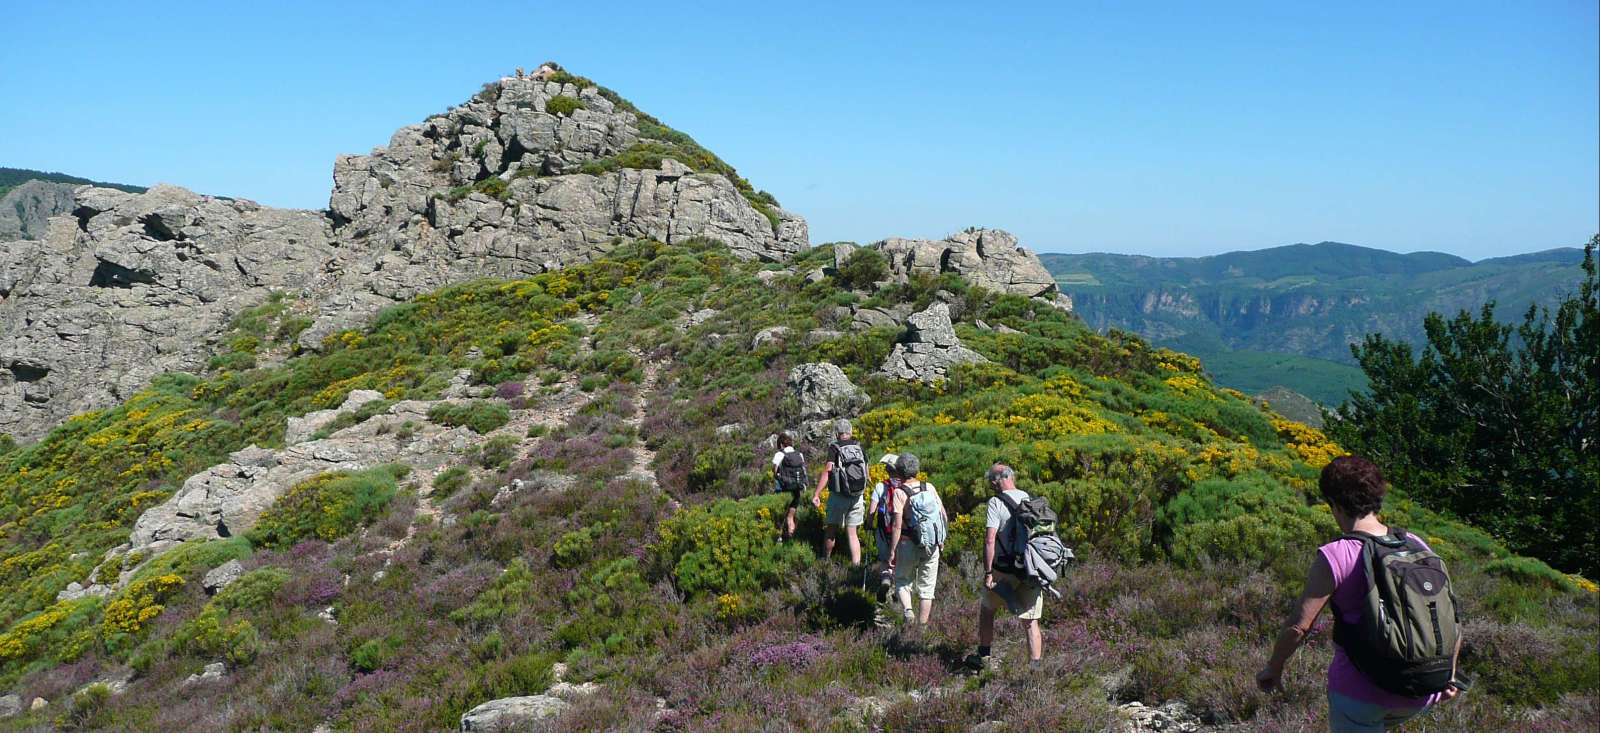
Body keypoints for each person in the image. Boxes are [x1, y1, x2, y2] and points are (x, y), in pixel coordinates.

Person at [1255, 456, 1461, 732]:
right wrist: (1448, 674)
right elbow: (1450, 617)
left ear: (1335, 504)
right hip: (1424, 690)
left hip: (1360, 695)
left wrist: (1274, 667)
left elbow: (1299, 626)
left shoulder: (1336, 554)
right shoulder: (1414, 544)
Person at [970, 463, 1043, 669]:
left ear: (997, 480)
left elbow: (990, 539)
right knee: (1030, 620)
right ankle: (1035, 668)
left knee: (987, 609)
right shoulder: (1028, 498)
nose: (991, 485)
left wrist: (988, 572)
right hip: (1029, 569)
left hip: (1003, 571)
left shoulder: (995, 502)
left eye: (991, 481)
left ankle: (984, 657)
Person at [885, 452, 946, 624]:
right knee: (927, 588)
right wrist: (941, 539)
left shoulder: (899, 493)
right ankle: (922, 627)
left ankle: (908, 610)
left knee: (902, 580)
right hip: (932, 544)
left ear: (899, 472)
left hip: (907, 543)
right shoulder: (930, 487)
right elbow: (943, 515)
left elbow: (897, 525)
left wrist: (892, 551)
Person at [810, 419, 868, 565]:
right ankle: (856, 566)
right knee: (852, 533)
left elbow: (828, 471)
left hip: (839, 495)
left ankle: (826, 562)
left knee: (831, 530)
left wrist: (817, 493)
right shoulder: (859, 446)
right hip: (857, 495)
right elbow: (866, 471)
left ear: (837, 433)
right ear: (851, 431)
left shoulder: (834, 447)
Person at [867, 453, 902, 587]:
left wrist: (869, 523)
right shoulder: (905, 486)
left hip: (883, 530)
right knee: (899, 559)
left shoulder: (881, 486)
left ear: (888, 470)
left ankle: (886, 578)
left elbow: (872, 510)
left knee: (884, 558)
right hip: (901, 531)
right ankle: (898, 586)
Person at [771, 433, 807, 542]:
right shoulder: (799, 454)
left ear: (781, 444)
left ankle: (779, 539)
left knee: (780, 515)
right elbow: (803, 469)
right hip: (797, 488)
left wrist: (777, 475)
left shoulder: (780, 454)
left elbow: (774, 468)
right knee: (790, 516)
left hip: (783, 488)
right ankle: (792, 538)